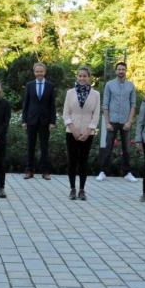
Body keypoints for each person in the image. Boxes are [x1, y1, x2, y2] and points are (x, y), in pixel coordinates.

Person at [63, 66, 101, 200]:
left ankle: (82, 190)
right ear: (77, 77)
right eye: (80, 76)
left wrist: (89, 130)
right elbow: (66, 113)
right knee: (72, 161)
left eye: (84, 76)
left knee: (83, 162)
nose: (82, 78)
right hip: (71, 132)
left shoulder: (96, 94)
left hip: (87, 133)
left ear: (89, 77)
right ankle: (72, 189)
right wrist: (73, 129)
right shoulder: (70, 93)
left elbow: (96, 115)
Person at [97, 62, 137, 182]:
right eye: (119, 69)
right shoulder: (109, 85)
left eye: (123, 69)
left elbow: (133, 105)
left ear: (126, 71)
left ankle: (127, 173)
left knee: (126, 149)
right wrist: (107, 122)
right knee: (108, 147)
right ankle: (103, 172)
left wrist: (129, 122)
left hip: (125, 121)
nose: (121, 71)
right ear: (116, 71)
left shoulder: (131, 86)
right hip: (112, 121)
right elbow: (105, 104)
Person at [21, 62, 56, 180]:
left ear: (44, 72)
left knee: (44, 147)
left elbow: (52, 105)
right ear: (34, 72)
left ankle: (45, 171)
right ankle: (29, 170)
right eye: (37, 71)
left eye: (41, 71)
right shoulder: (29, 85)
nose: (39, 73)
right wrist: (24, 120)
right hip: (31, 120)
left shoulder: (50, 86)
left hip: (45, 121)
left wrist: (52, 122)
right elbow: (26, 104)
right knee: (30, 146)